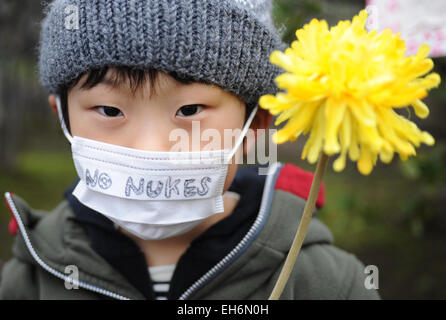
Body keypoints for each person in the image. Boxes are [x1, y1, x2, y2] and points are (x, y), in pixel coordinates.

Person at [0, 0, 380, 300]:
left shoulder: (325, 282)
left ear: (257, 123)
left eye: (190, 110)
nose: (152, 148)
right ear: (63, 117)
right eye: (110, 110)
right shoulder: (32, 279)